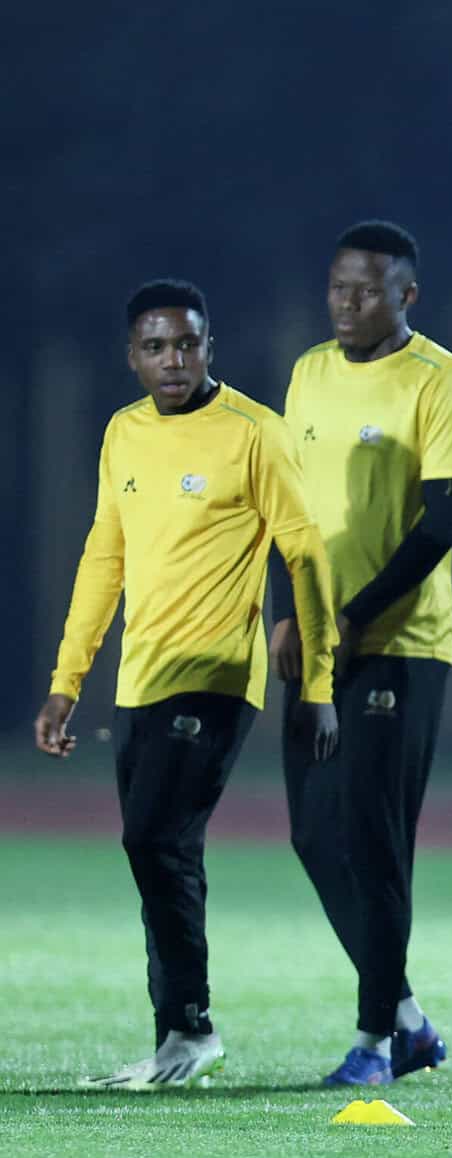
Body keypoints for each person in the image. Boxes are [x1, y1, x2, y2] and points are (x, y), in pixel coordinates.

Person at [35, 280, 339, 1089]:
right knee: (162, 851)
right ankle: (175, 1033)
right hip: (140, 679)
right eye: (155, 347)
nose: (173, 360)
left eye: (186, 344)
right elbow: (105, 558)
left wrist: (317, 683)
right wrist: (67, 680)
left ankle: (192, 1027)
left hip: (216, 675)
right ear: (132, 356)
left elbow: (305, 556)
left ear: (210, 347)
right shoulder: (124, 432)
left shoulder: (255, 432)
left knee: (154, 840)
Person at [270, 221, 452, 1086]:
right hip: (318, 642)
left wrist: (354, 617)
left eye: (366, 290)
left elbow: (442, 523)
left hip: (399, 645)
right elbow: (290, 511)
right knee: (313, 835)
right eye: (337, 287)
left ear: (407, 295)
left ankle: (373, 1044)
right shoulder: (308, 373)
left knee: (374, 839)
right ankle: (407, 1019)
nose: (347, 303)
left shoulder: (442, 381)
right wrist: (290, 615)